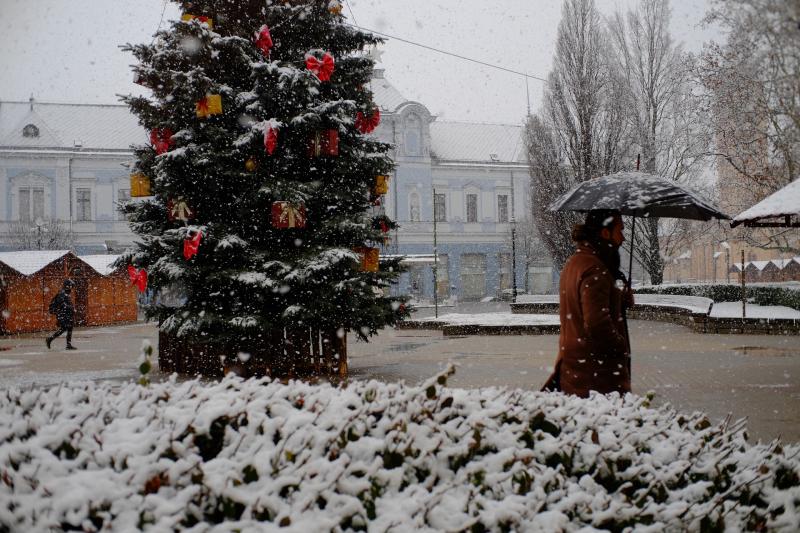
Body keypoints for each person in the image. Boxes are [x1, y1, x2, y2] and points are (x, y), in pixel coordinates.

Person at [542, 210, 633, 397]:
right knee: (605, 424)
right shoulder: (595, 269)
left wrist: (619, 300)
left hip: (576, 365)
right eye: (620, 230)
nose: (623, 238)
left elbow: (583, 307)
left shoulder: (576, 262)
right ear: (605, 233)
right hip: (596, 374)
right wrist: (620, 345)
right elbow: (596, 323)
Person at [46, 279, 77, 350]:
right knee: (64, 328)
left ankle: (68, 345)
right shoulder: (62, 293)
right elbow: (62, 304)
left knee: (69, 328)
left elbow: (66, 304)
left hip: (67, 314)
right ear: (67, 286)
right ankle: (50, 339)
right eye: (71, 286)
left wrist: (71, 309)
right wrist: (70, 308)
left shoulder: (66, 293)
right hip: (63, 314)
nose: (72, 288)